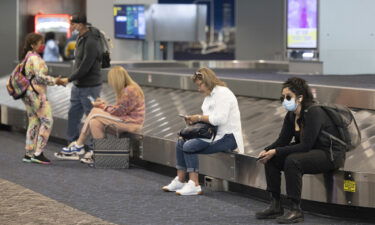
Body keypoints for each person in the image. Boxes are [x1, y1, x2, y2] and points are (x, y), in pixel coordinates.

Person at [255, 77, 345, 224]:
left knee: (293, 161)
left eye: (288, 97)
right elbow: (282, 141)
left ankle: (296, 210)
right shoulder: (291, 115)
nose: (285, 100)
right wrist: (267, 150)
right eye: (282, 97)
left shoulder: (313, 112)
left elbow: (305, 146)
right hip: (311, 152)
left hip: (330, 154)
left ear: (300, 97)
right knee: (271, 159)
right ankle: (275, 205)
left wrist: (276, 151)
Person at [162, 67, 244, 196]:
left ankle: (194, 184)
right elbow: (209, 121)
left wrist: (199, 117)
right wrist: (194, 122)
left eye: (200, 85)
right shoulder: (209, 97)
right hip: (213, 135)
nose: (198, 89)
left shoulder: (223, 93)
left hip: (229, 137)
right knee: (181, 140)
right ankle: (180, 180)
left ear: (208, 81)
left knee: (189, 146)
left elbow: (219, 119)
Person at [55, 66, 145, 163]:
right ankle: (100, 153)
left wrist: (102, 106)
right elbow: (121, 109)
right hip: (126, 121)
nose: (111, 83)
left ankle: (79, 145)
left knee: (95, 111)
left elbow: (119, 112)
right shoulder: (128, 88)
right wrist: (105, 105)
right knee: (94, 122)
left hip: (131, 124)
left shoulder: (129, 90)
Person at [57, 14, 103, 150]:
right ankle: (74, 144)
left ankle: (95, 148)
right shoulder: (80, 37)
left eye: (74, 24)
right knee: (73, 114)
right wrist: (73, 80)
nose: (71, 26)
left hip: (90, 87)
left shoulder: (91, 41)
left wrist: (68, 79)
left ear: (81, 24)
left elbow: (85, 66)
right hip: (78, 86)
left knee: (92, 117)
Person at [20, 33, 66, 164]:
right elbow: (40, 77)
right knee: (47, 121)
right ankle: (38, 153)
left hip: (28, 94)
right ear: (33, 45)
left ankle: (29, 153)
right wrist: (55, 80)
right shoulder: (35, 58)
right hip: (37, 95)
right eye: (40, 43)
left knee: (34, 121)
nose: (42, 45)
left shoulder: (27, 57)